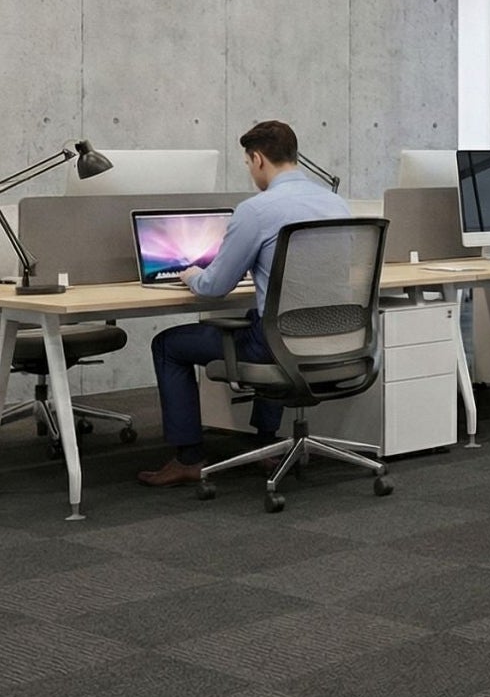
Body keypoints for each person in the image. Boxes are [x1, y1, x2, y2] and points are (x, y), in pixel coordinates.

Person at [136, 120, 349, 487]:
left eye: (249, 164)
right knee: (265, 320)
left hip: (276, 344)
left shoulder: (256, 211)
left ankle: (189, 458)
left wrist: (189, 275)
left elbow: (216, 287)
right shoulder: (338, 204)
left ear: (259, 158)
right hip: (335, 336)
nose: (251, 171)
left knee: (168, 345)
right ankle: (265, 444)